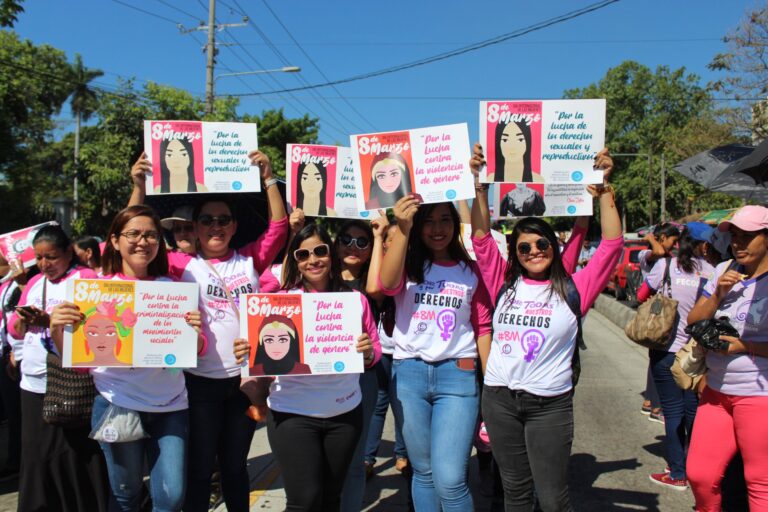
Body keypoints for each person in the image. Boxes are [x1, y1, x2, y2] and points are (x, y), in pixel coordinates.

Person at [132, 149, 288, 511]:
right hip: (197, 384)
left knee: (235, 469)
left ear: (234, 226)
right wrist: (139, 186)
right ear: (195, 228)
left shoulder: (250, 259)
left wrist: (268, 177)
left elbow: (279, 228)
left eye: (223, 219)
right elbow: (135, 236)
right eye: (207, 220)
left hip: (243, 382)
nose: (215, 225)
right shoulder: (178, 265)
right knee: (200, 470)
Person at [470, 143, 621, 511]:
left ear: (553, 246)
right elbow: (481, 239)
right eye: (524, 248)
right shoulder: (501, 282)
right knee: (515, 494)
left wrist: (605, 191)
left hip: (550, 406)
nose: (534, 251)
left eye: (542, 244)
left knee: (553, 499)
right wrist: (479, 186)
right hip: (500, 401)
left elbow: (612, 246)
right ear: (515, 253)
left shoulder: (574, 288)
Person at [50, 204, 206, 511]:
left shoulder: (173, 289)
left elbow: (196, 352)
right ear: (116, 240)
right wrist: (58, 327)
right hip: (116, 403)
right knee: (126, 496)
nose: (143, 241)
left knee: (172, 497)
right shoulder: (94, 290)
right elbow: (79, 362)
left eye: (151, 235)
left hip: (170, 406)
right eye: (133, 233)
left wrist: (194, 334)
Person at [234, 223, 381, 511]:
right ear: (296, 262)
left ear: (331, 254)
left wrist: (366, 353)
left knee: (330, 498)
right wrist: (246, 352)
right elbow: (261, 356)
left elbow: (374, 352)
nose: (313, 259)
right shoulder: (280, 304)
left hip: (344, 414)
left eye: (320, 251)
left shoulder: (355, 300)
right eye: (303, 254)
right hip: (292, 414)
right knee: (304, 500)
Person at [378, 197, 493, 511]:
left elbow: (483, 326)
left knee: (452, 479)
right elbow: (386, 284)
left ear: (455, 224)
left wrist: (493, 381)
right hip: (408, 377)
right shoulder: (406, 262)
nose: (437, 228)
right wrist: (402, 226)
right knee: (424, 473)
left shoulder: (470, 271)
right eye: (428, 220)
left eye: (445, 219)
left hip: (458, 376)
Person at [6, 224, 109, 511]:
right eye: (39, 258)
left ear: (68, 252)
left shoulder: (85, 278)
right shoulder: (35, 283)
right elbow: (15, 330)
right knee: (37, 454)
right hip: (35, 381)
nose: (44, 264)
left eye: (51, 257)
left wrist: (51, 321)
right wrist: (25, 321)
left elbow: (97, 324)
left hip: (73, 381)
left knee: (77, 452)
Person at [686, 205, 768, 511]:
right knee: (700, 476)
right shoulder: (723, 270)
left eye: (748, 236)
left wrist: (745, 346)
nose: (738, 243)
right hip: (716, 390)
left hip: (759, 395)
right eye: (734, 235)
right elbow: (693, 322)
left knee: (760, 483)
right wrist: (719, 294)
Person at [635, 225, 715, 490]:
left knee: (672, 412)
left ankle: (677, 473)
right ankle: (695, 467)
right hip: (697, 354)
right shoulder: (712, 272)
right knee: (693, 411)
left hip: (666, 349)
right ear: (705, 245)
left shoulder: (667, 266)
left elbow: (640, 295)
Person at [333, 219, 381, 511]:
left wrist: (378, 232)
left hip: (363, 377)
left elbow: (377, 289)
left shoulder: (373, 284)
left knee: (353, 461)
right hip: (322, 383)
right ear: (335, 245)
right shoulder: (320, 277)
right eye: (347, 239)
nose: (354, 246)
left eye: (362, 242)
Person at [364, 218, 409, 476]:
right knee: (378, 405)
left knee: (401, 405)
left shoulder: (411, 270)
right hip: (382, 351)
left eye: (398, 239)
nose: (393, 244)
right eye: (389, 240)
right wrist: (379, 238)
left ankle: (402, 453)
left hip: (403, 353)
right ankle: (368, 458)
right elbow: (374, 290)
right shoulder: (379, 268)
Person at [639, 223, 680, 422]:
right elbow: (658, 250)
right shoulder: (646, 254)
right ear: (663, 238)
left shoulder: (668, 258)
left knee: (655, 357)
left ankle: (649, 402)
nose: (675, 245)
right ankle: (656, 407)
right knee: (659, 357)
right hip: (655, 313)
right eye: (673, 240)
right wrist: (651, 238)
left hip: (663, 313)